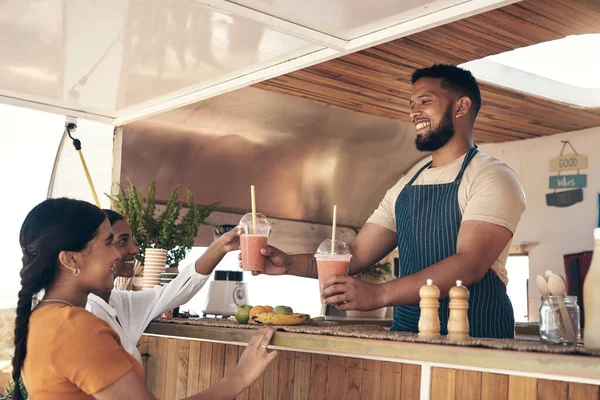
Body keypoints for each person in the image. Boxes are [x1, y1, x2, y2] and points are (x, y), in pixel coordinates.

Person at [240, 64, 526, 339]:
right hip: (408, 337)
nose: (414, 112)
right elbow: (354, 254)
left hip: (477, 339)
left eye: (424, 101)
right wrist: (289, 264)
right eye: (411, 104)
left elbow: (470, 264)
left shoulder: (493, 177)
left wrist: (378, 294)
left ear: (461, 107)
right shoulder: (407, 183)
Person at [13, 198, 278, 400]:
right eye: (109, 243)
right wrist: (240, 377)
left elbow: (175, 290)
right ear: (70, 259)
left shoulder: (42, 317)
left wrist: (220, 247)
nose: (117, 255)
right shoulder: (75, 327)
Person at [86, 209, 236, 366]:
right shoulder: (87, 312)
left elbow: (177, 290)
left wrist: (222, 246)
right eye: (123, 241)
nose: (135, 249)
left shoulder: (117, 301)